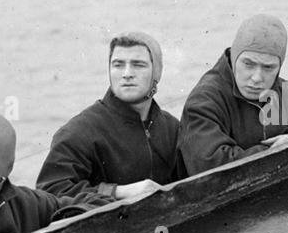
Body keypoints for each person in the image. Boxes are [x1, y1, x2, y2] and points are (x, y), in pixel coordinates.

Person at [38, 31, 182, 203]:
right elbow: (51, 194)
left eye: (138, 64)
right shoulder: (79, 132)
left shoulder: (171, 127)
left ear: (156, 72)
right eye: (118, 65)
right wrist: (118, 192)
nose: (127, 73)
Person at [178, 14, 288, 174]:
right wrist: (278, 149)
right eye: (248, 64)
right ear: (234, 57)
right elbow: (213, 169)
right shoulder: (203, 101)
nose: (257, 78)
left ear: (279, 67)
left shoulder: (282, 90)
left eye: (268, 68)